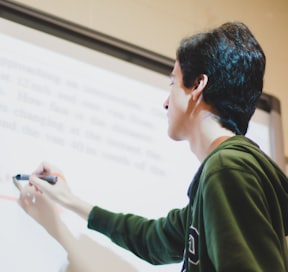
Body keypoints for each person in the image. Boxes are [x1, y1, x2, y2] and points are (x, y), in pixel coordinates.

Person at [13, 21, 288, 271]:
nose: (166, 102)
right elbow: (152, 240)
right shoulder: (225, 174)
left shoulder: (226, 169)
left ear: (197, 87)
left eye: (173, 83)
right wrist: (69, 200)